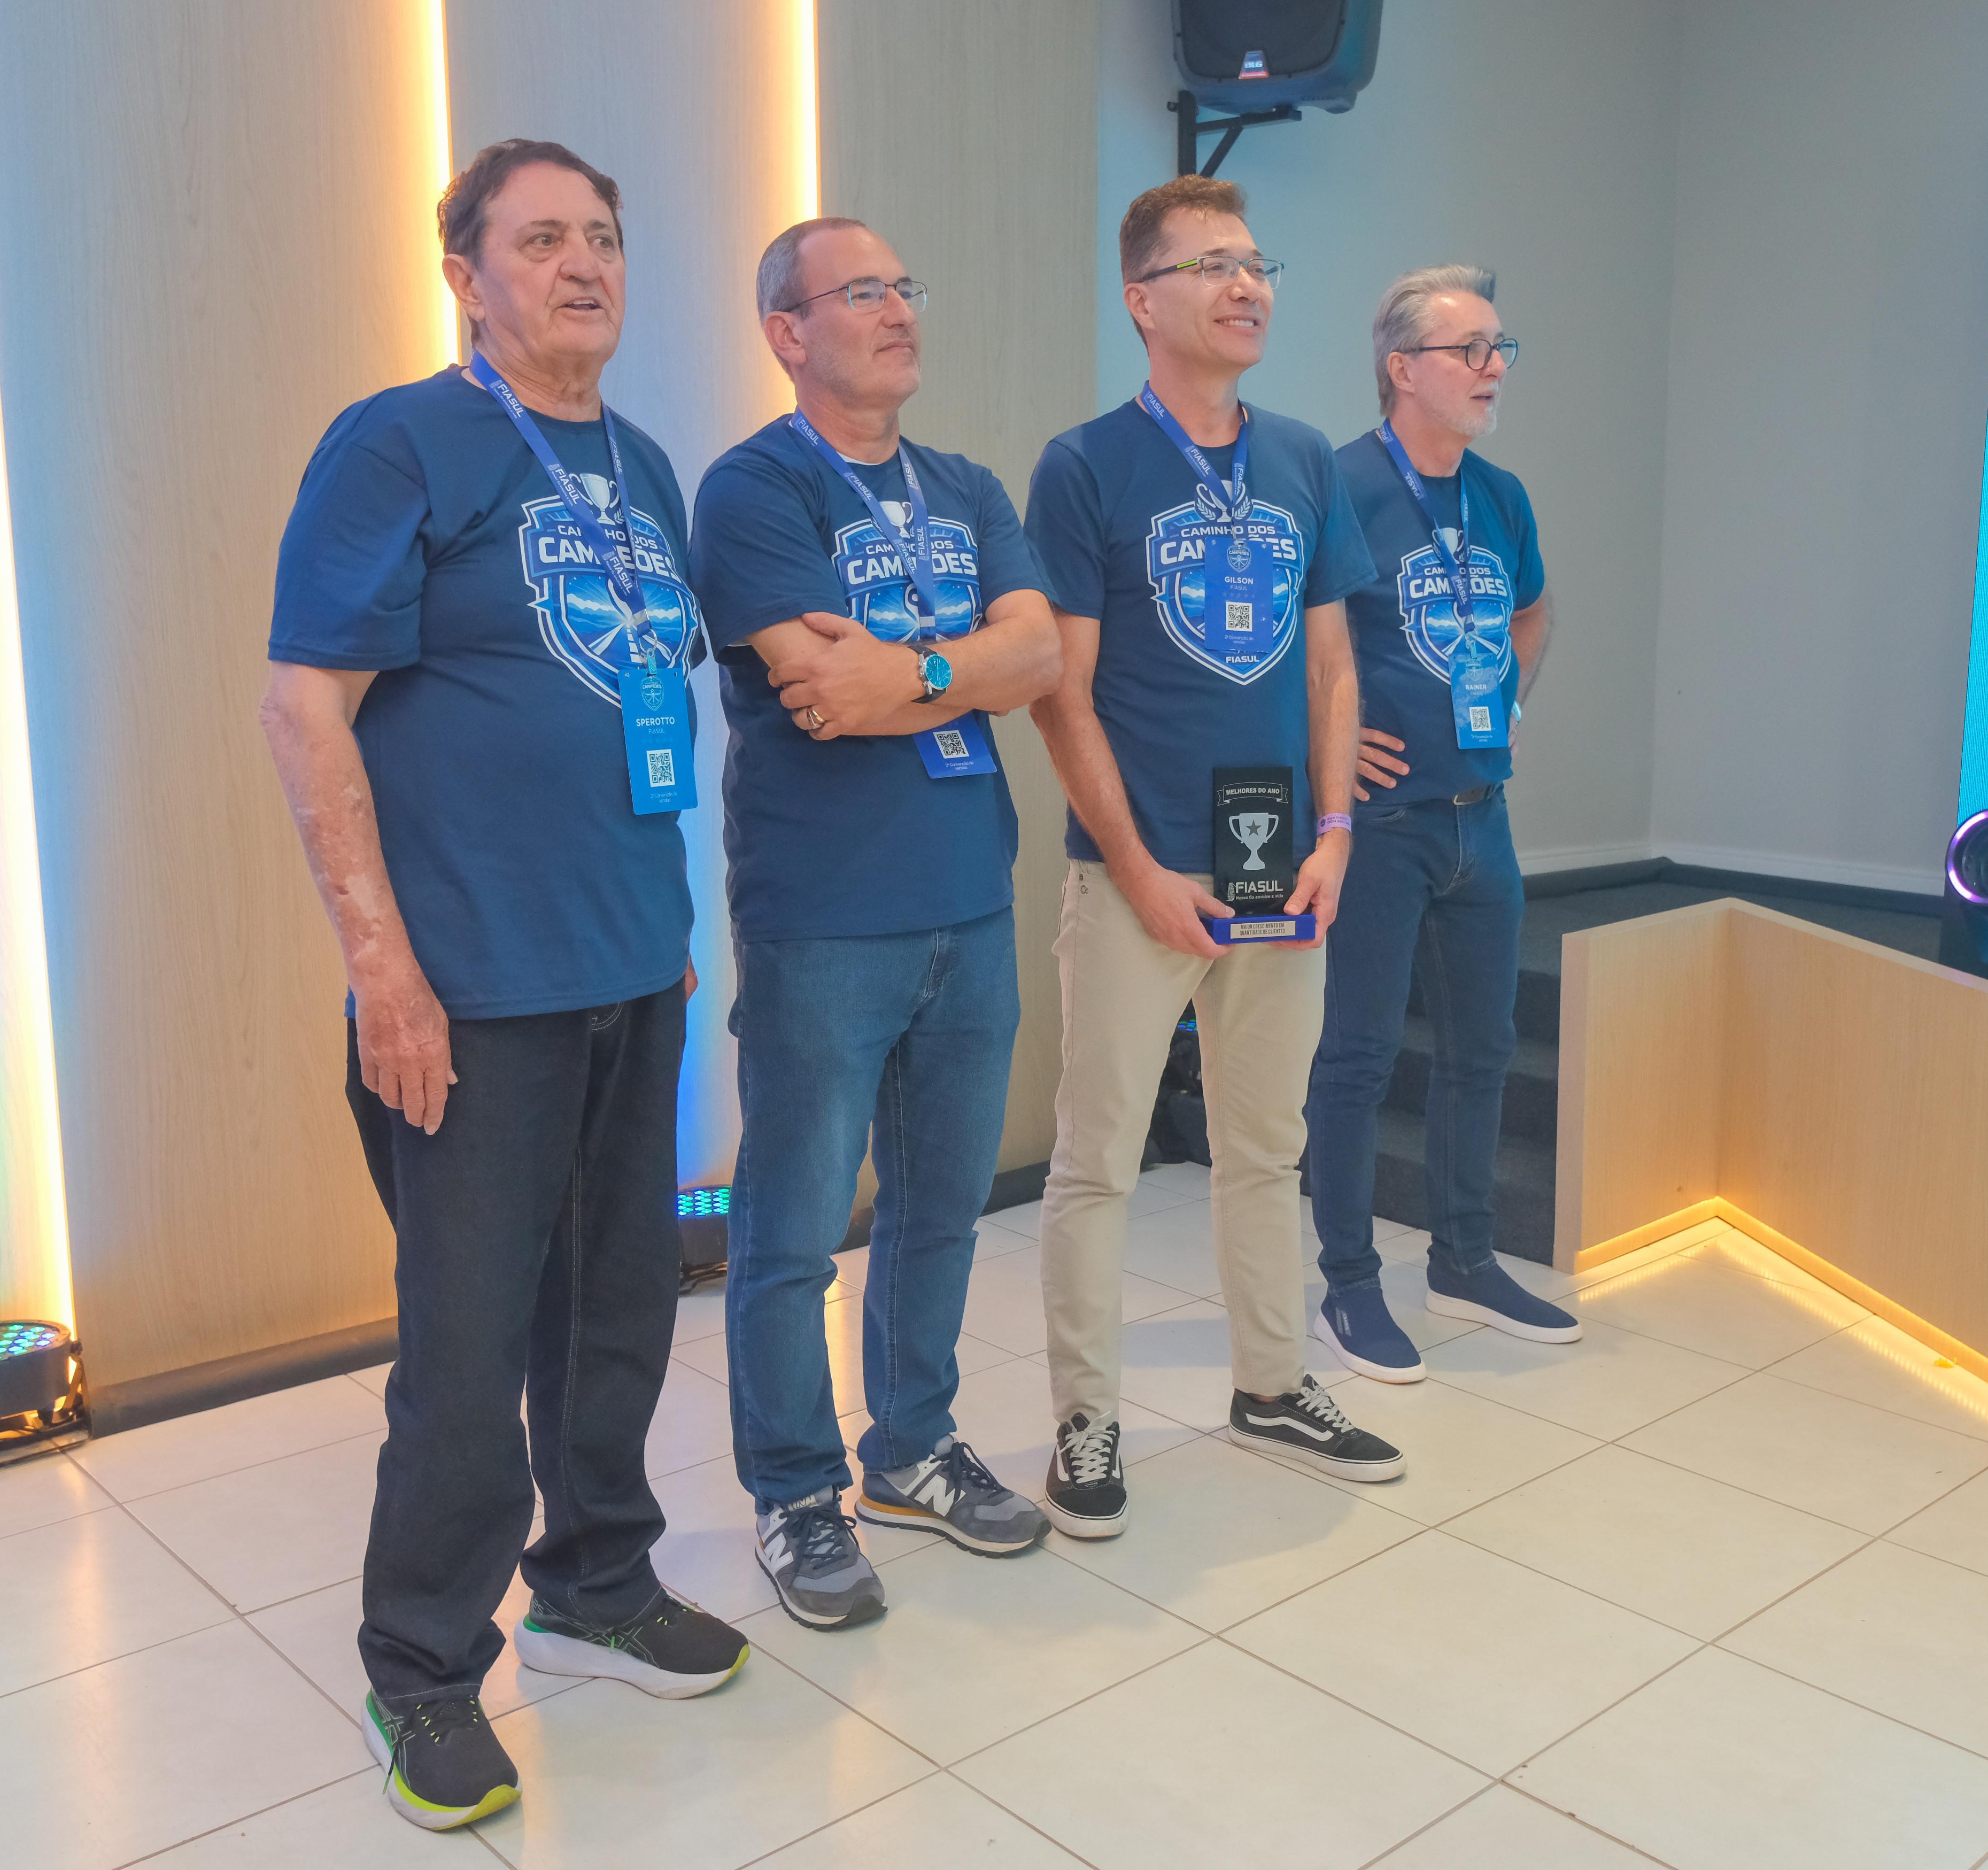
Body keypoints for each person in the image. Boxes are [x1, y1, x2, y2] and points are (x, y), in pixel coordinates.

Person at [261, 138, 746, 1834]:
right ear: (466, 277)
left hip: (630, 966)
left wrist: (666, 926)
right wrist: (380, 970)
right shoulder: (400, 442)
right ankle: (421, 1668)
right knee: (468, 1358)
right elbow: (304, 708)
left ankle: (599, 1581)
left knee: (618, 1313)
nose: (583, 263)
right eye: (541, 239)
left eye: (602, 235)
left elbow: (639, 706)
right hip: (468, 991)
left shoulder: (644, 462)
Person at [687, 219, 1063, 1627]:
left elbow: (1041, 653)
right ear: (788, 332)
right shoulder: (754, 489)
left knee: (940, 1213)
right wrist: (970, 664)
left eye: (906, 286)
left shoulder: (966, 487)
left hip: (971, 904)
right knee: (791, 1234)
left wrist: (916, 672)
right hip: (825, 922)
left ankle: (910, 1447)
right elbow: (817, 689)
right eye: (863, 291)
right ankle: (794, 1492)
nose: (899, 308)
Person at [1025, 175, 1406, 1537]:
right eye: (1212, 267)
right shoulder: (1084, 466)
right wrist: (1135, 870)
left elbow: (1331, 665)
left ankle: (1273, 1384)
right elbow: (1061, 693)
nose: (1247, 287)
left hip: (1278, 871)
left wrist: (1337, 834)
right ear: (1143, 300)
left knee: (1267, 1147)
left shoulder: (1300, 457)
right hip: (1140, 877)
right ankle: (1086, 1419)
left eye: (1256, 265)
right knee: (1100, 1163)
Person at [1305, 266, 1576, 1382]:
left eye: (1500, 348)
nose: (1493, 368)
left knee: (1483, 1051)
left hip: (1481, 818)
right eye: (1470, 350)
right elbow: (1284, 639)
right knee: (1360, 1057)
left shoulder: (1501, 495)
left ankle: (1464, 1259)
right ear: (1402, 369)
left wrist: (1508, 699)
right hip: (1379, 827)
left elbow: (1534, 608)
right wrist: (1322, 753)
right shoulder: (1336, 486)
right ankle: (1348, 1284)